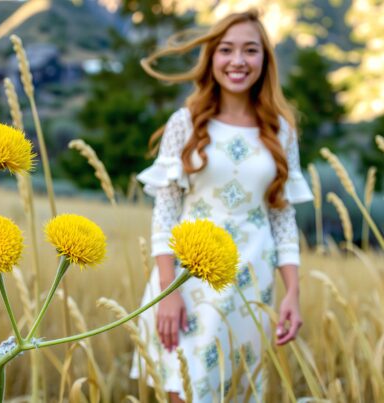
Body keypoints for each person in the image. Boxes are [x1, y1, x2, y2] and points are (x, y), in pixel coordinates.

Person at [129, 9, 313, 402]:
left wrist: (293, 292)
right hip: (188, 283)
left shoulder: (281, 130)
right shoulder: (186, 122)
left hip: (251, 286)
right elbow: (165, 210)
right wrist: (167, 291)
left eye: (251, 50)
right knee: (186, 387)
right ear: (211, 58)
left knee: (238, 390)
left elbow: (282, 216)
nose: (238, 61)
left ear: (265, 60)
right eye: (227, 50)